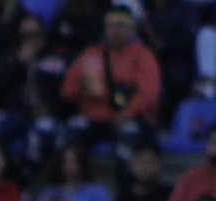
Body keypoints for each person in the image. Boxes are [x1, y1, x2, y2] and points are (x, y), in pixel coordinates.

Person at [60, 5, 161, 154]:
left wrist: (127, 113)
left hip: (128, 117)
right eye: (111, 25)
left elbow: (149, 93)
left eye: (121, 25)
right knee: (71, 136)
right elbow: (67, 90)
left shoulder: (143, 56)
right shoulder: (91, 53)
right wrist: (81, 88)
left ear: (132, 29)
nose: (115, 30)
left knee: (127, 141)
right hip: (94, 117)